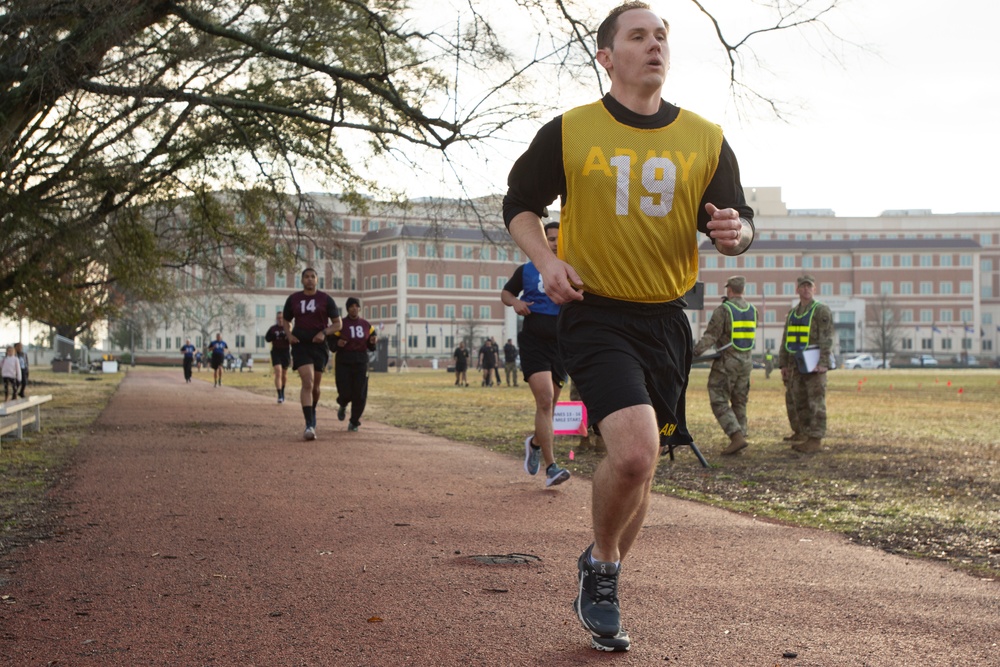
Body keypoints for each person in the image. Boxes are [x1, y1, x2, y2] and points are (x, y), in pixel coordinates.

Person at [502, 2, 754, 652]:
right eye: (637, 36)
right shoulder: (572, 130)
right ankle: (605, 566)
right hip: (595, 311)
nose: (654, 45)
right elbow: (520, 205)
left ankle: (601, 563)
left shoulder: (704, 137)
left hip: (668, 321)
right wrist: (546, 259)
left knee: (644, 468)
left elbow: (738, 224)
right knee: (636, 449)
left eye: (661, 36)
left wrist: (736, 233)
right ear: (607, 57)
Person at [501, 221, 572, 488]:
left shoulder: (571, 270)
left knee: (550, 405)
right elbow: (506, 293)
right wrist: (516, 302)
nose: (553, 242)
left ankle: (534, 443)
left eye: (557, 238)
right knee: (545, 400)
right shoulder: (527, 270)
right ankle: (552, 467)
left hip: (561, 344)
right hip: (534, 340)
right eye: (549, 238)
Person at [692, 276, 757, 456]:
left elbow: (712, 335)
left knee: (718, 397)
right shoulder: (753, 310)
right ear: (743, 289)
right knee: (739, 401)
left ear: (729, 290)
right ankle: (740, 437)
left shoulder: (724, 310)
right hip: (746, 362)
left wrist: (695, 351)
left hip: (727, 362)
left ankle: (736, 436)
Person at [283, 267, 341, 441]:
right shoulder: (293, 299)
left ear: (317, 280)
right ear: (302, 280)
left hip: (319, 346)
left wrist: (324, 332)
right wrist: (289, 335)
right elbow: (286, 320)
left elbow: (338, 324)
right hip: (301, 345)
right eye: (306, 277)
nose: (309, 279)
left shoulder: (325, 299)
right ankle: (309, 424)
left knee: (315, 386)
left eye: (312, 277)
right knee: (307, 381)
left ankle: (312, 410)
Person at [779, 274, 834, 454]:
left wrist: (823, 363)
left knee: (815, 402)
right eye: (802, 286)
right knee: (799, 401)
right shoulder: (793, 313)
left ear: (814, 289)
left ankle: (815, 439)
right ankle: (805, 435)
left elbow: (826, 339)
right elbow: (786, 341)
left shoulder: (821, 311)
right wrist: (784, 365)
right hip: (796, 365)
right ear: (797, 289)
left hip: (815, 364)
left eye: (809, 286)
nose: (806, 289)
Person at [330, 297, 377, 432]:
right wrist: (337, 344)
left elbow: (371, 343)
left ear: (360, 308)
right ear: (347, 309)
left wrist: (373, 342)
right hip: (344, 360)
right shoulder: (340, 324)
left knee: (360, 393)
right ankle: (343, 403)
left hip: (361, 361)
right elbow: (331, 342)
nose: (354, 308)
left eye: (357, 306)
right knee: (345, 392)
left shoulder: (367, 325)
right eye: (351, 306)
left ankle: (354, 421)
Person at [265, 312, 291, 403]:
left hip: (285, 352)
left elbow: (293, 339)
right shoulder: (273, 329)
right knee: (278, 372)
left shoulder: (288, 327)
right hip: (276, 351)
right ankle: (279, 395)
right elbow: (267, 338)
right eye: (278, 318)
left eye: (282, 318)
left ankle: (283, 391)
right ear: (276, 318)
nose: (280, 319)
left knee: (284, 374)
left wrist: (287, 336)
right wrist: (274, 336)